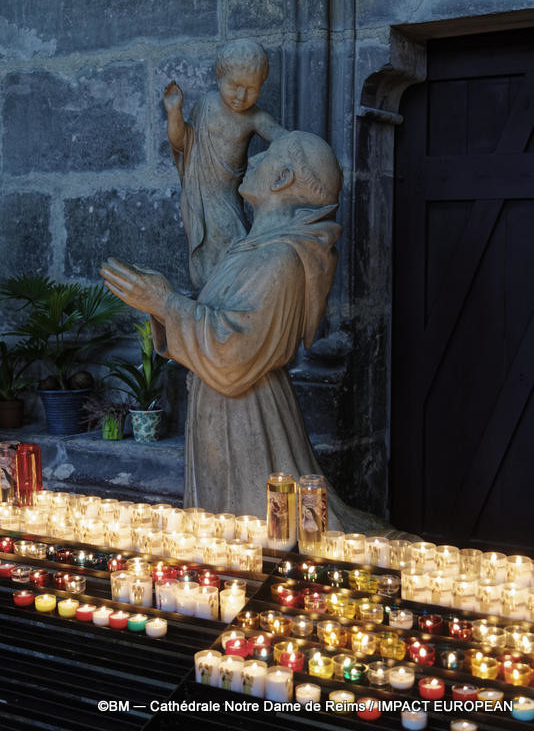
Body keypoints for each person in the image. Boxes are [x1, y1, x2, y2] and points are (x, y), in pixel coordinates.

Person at [101, 131, 394, 533]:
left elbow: (236, 353)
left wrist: (165, 303)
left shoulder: (279, 259)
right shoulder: (256, 250)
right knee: (226, 536)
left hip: (245, 414)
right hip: (223, 408)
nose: (252, 161)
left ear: (281, 179)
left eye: (266, 157)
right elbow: (221, 318)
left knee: (259, 534)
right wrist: (164, 301)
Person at [164, 38, 285, 291]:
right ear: (220, 77)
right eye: (235, 86)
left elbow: (284, 139)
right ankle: (209, 307)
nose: (241, 96)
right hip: (197, 197)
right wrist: (175, 112)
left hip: (227, 199)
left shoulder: (255, 117)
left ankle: (226, 304)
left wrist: (310, 152)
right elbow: (182, 143)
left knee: (236, 252)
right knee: (205, 262)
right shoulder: (206, 104)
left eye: (251, 89)